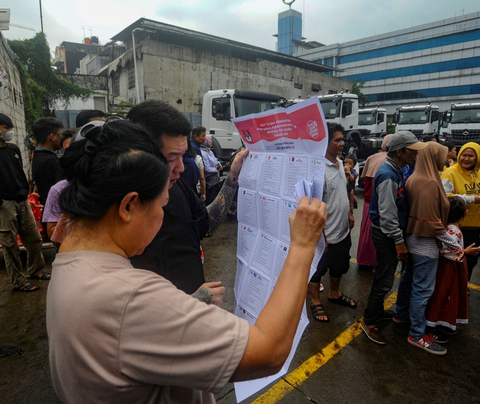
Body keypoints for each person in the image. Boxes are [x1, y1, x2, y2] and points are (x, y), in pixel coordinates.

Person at [46, 120, 328, 403]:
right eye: (161, 205)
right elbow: (268, 352)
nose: (161, 216)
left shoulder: (71, 259)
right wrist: (302, 246)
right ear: (128, 206)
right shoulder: (131, 298)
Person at [127, 101, 248, 294]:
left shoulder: (177, 185)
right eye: (171, 158)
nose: (181, 168)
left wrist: (232, 177)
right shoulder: (118, 207)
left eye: (183, 156)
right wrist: (190, 303)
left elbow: (206, 222)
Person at [361, 131, 427, 345]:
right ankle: (369, 321)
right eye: (412, 151)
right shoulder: (388, 174)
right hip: (386, 234)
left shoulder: (395, 169)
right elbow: (387, 215)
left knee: (384, 276)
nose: (415, 155)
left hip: (387, 233)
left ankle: (377, 311)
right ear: (400, 151)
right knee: (384, 280)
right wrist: (399, 242)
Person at [394, 141, 450, 355]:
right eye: (442, 154)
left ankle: (400, 314)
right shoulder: (429, 182)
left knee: (408, 281)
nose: (444, 159)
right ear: (433, 156)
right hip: (425, 244)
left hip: (412, 240)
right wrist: (456, 246)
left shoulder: (416, 177)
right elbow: (431, 223)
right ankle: (417, 335)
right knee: (423, 290)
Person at [308, 122, 356, 323]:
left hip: (342, 230)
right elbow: (313, 207)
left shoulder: (339, 164)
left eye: (342, 139)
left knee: (340, 267)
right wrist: (322, 237)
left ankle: (334, 293)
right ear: (325, 142)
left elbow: (343, 192)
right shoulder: (318, 170)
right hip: (326, 234)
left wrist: (350, 212)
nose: (342, 143)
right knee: (317, 271)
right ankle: (314, 300)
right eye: (337, 140)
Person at [0, 113, 49, 292]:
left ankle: (35, 270)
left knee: (34, 238)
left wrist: (24, 191)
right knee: (10, 245)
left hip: (21, 199)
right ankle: (18, 282)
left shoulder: (13, 149)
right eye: (6, 128)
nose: (9, 131)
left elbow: (19, 172)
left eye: (10, 128)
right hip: (4, 204)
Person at [425, 196, 480, 337]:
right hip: (450, 269)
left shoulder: (446, 228)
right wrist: (465, 252)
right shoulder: (453, 230)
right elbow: (448, 251)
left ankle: (438, 322)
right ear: (465, 213)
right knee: (447, 295)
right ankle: (441, 326)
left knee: (442, 294)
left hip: (447, 267)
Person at [441, 142, 480, 282]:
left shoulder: (479, 172)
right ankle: (457, 286)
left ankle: (463, 285)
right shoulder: (450, 172)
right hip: (459, 226)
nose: (466, 158)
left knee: (472, 260)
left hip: (477, 225)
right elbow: (444, 196)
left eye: (471, 156)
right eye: (464, 155)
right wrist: (471, 199)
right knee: (458, 259)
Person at [357, 134, 391, 270]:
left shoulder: (372, 158)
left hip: (367, 201)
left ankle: (363, 260)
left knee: (366, 232)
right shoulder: (391, 160)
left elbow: (364, 178)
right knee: (379, 233)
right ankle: (374, 263)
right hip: (381, 202)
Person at [31, 117, 65, 206]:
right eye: (60, 135)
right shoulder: (50, 160)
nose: (61, 138)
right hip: (55, 208)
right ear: (52, 137)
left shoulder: (39, 155)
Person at [201, 135, 223, 206]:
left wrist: (219, 165)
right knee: (210, 201)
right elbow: (207, 169)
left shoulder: (210, 151)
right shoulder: (203, 153)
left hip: (215, 181)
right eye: (210, 140)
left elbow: (216, 161)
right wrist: (217, 169)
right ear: (206, 142)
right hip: (210, 182)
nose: (211, 141)